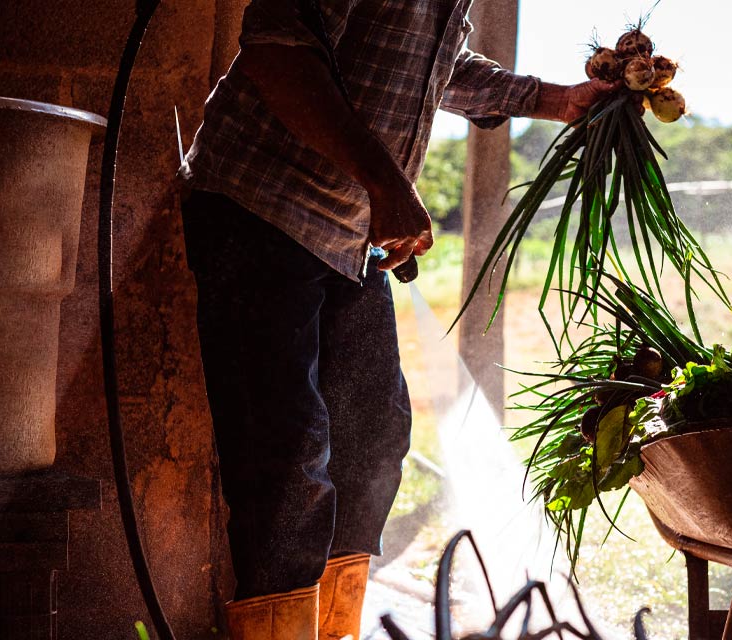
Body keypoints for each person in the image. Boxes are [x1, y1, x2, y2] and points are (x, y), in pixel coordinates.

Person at [176, 0, 620, 637]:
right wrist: (386, 186)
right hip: (259, 209)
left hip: (348, 236)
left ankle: (333, 629)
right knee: (287, 452)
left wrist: (554, 100)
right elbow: (279, 51)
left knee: (372, 437)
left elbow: (434, 64)